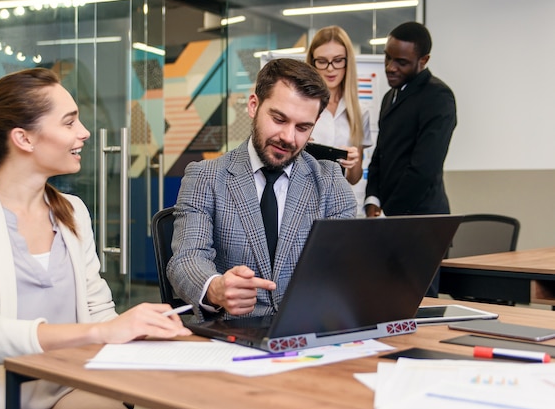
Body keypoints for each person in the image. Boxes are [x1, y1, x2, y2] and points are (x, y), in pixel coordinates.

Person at [0, 68, 191, 409]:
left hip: (66, 386)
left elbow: (98, 313)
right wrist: (100, 333)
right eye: (69, 123)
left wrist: (137, 329)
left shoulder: (72, 211)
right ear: (24, 138)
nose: (83, 133)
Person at [167, 58, 357, 322]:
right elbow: (187, 259)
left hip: (308, 330)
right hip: (232, 333)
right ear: (254, 105)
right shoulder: (206, 177)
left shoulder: (330, 180)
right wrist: (215, 288)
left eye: (303, 127)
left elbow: (346, 266)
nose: (289, 138)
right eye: (279, 119)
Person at [364, 22, 457, 296]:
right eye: (387, 57)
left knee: (417, 306)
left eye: (401, 62)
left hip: (421, 224)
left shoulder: (438, 97)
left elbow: (423, 169)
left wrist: (388, 214)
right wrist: (372, 199)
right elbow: (380, 155)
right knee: (385, 301)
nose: (390, 67)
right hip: (391, 219)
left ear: (423, 60)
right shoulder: (389, 97)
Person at [306, 25, 373, 186]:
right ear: (312, 63)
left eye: (337, 60)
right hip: (303, 198)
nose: (330, 69)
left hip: (339, 200)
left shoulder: (359, 111)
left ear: (347, 62)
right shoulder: (300, 106)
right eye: (322, 61)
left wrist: (353, 162)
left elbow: (354, 178)